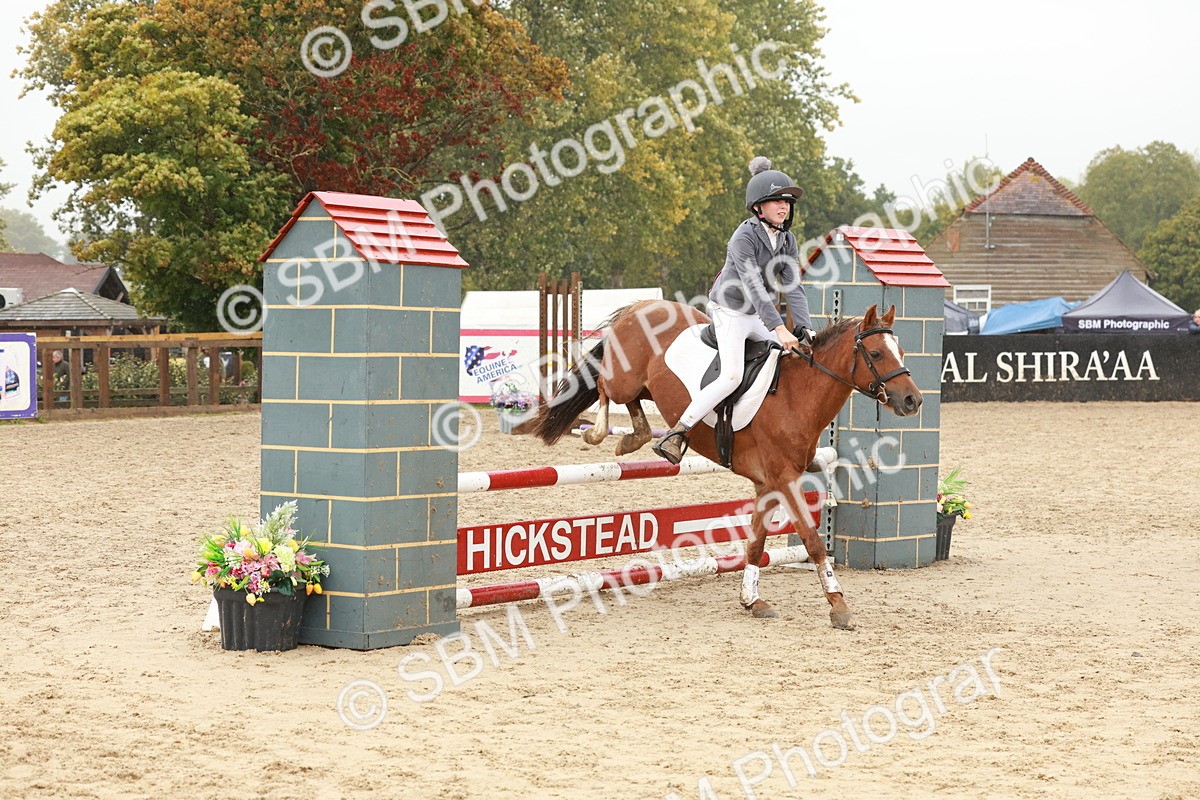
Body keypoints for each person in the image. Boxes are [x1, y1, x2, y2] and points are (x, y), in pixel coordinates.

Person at [652, 156, 814, 464]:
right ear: (758, 207)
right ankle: (678, 432)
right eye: (777, 201)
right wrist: (779, 328)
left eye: (788, 202)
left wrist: (804, 327)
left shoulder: (787, 239)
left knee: (792, 362)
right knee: (731, 374)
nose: (785, 207)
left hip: (758, 315)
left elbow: (793, 287)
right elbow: (754, 285)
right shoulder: (743, 237)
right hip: (731, 312)